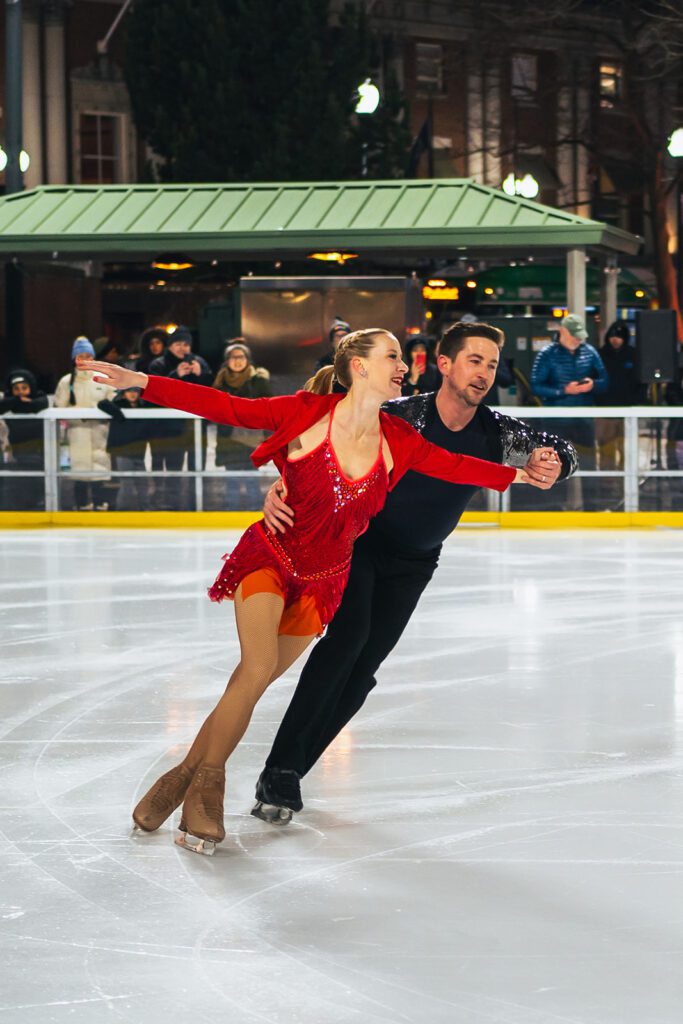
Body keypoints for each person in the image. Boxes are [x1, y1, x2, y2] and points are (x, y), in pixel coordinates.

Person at [82, 328, 549, 855]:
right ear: (359, 367)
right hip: (272, 559)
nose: (404, 366)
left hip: (323, 584)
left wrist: (523, 475)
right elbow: (225, 406)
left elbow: (460, 466)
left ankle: (182, 775)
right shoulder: (304, 412)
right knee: (256, 669)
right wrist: (143, 380)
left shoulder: (400, 439)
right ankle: (207, 789)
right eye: (392, 356)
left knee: (249, 683)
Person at [248, 321, 578, 825]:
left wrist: (551, 460)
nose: (484, 373)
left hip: (415, 563)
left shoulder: (498, 433)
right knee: (346, 641)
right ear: (443, 364)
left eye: (491, 364)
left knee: (362, 674)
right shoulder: (403, 417)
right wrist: (281, 485)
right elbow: (326, 435)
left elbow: (558, 447)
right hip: (359, 545)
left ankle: (287, 772)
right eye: (474, 360)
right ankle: (280, 771)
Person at [531, 313, 607, 508]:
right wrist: (563, 390)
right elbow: (536, 386)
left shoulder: (590, 352)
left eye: (580, 336)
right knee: (554, 465)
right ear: (562, 332)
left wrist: (592, 385)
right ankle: (554, 507)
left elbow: (605, 382)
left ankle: (592, 507)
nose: (578, 339)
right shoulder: (547, 354)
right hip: (555, 420)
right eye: (574, 335)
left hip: (584, 418)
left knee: (589, 465)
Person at [146, 326, 212, 510]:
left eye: (186, 344)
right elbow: (154, 393)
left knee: (197, 467)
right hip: (165, 429)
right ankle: (164, 503)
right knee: (168, 468)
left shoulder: (199, 363)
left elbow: (212, 395)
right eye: (178, 344)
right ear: (170, 346)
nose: (182, 348)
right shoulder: (159, 364)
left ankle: (194, 504)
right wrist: (176, 375)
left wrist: (202, 375)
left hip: (195, 428)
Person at [54, 337, 116, 510]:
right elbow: (59, 408)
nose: (85, 360)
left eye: (88, 356)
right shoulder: (67, 382)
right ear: (75, 359)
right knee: (79, 473)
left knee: (100, 471)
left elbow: (114, 401)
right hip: (76, 435)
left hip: (100, 433)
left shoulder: (103, 379)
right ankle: (81, 505)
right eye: (81, 356)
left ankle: (100, 503)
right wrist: (78, 416)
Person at [211, 340, 272, 510]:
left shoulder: (258, 381)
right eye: (233, 357)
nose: (237, 361)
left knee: (252, 480)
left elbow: (270, 409)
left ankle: (255, 513)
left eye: (241, 357)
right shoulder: (220, 382)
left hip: (251, 441)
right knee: (231, 480)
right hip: (228, 440)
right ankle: (231, 511)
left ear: (248, 359)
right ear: (227, 361)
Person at [0, 369, 49, 510]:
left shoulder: (39, 396)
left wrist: (18, 403)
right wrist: (18, 401)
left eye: (24, 388)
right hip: (16, 453)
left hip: (39, 451)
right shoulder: (9, 401)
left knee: (36, 482)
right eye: (16, 389)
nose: (21, 392)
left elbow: (40, 404)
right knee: (19, 484)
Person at [98, 387, 152, 510]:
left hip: (138, 449)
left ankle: (145, 507)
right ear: (123, 394)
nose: (133, 394)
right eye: (129, 391)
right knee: (126, 481)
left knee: (143, 482)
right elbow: (102, 403)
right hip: (122, 449)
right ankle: (123, 509)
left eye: (135, 391)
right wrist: (119, 414)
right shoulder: (118, 404)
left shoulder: (142, 407)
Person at [597, 320, 640, 469]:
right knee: (606, 450)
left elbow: (640, 382)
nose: (615, 340)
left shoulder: (633, 355)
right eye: (612, 336)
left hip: (627, 413)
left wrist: (635, 401)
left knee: (626, 450)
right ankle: (606, 483)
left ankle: (625, 483)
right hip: (605, 412)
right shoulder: (600, 355)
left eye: (619, 337)